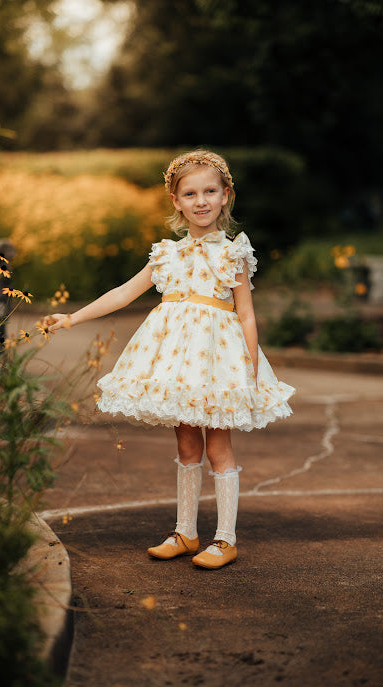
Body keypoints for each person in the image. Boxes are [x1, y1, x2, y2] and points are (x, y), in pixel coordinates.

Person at [46, 150, 295, 569]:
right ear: (176, 202)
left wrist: (249, 368)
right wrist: (72, 318)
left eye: (210, 191)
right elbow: (123, 294)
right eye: (191, 193)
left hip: (218, 362)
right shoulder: (166, 254)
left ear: (226, 195)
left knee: (218, 444)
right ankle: (185, 532)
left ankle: (225, 539)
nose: (201, 201)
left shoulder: (233, 252)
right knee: (186, 442)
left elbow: (246, 313)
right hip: (177, 364)